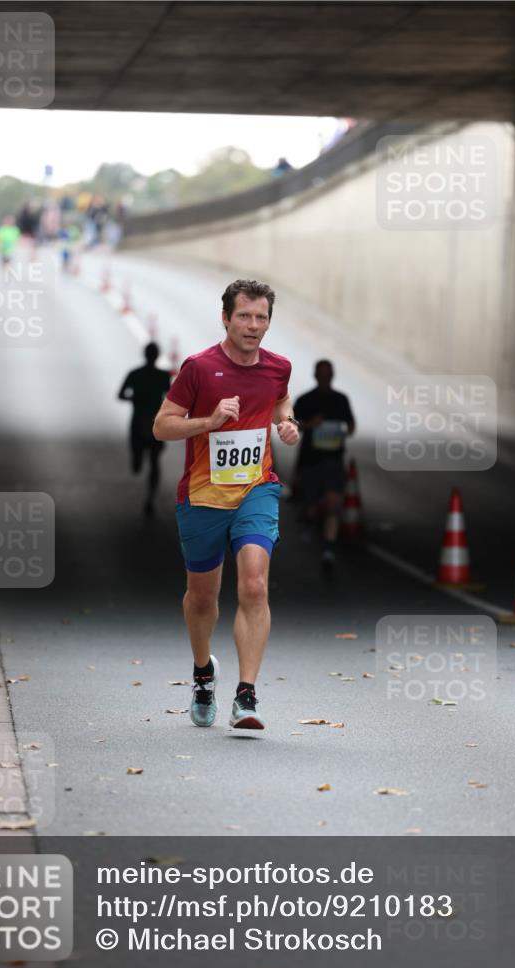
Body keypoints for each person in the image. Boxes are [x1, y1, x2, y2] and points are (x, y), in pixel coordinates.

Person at [152, 279, 300, 732]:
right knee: (203, 596)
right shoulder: (199, 368)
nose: (253, 326)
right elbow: (162, 426)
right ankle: (202, 674)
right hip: (202, 496)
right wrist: (210, 421)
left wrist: (287, 423)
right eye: (244, 316)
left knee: (254, 585)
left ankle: (247, 694)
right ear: (226, 318)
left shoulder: (278, 367)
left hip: (257, 490)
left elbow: (280, 400)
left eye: (261, 318)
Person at [293, 360, 355, 569]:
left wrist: (343, 430)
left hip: (333, 461)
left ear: (333, 375)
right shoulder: (304, 400)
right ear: (315, 376)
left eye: (329, 374)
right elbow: (291, 426)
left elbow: (351, 425)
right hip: (310, 460)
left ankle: (328, 549)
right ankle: (309, 525)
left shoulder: (341, 400)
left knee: (333, 503)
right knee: (311, 508)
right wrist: (310, 425)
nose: (325, 378)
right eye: (322, 374)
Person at [118, 343, 171, 515]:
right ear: (157, 355)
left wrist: (134, 398)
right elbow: (171, 397)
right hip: (155, 423)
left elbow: (120, 394)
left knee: (138, 461)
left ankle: (137, 458)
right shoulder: (163, 376)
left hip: (138, 420)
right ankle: (150, 497)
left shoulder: (135, 374)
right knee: (155, 461)